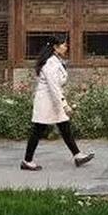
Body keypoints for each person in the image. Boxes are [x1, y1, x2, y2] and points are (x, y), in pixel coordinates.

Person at [20, 35, 94, 171]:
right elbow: (53, 86)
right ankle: (27, 161)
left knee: (65, 127)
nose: (66, 47)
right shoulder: (50, 63)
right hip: (46, 101)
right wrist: (64, 104)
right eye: (64, 45)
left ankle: (77, 155)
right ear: (55, 47)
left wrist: (61, 102)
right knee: (38, 130)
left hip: (53, 100)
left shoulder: (56, 60)